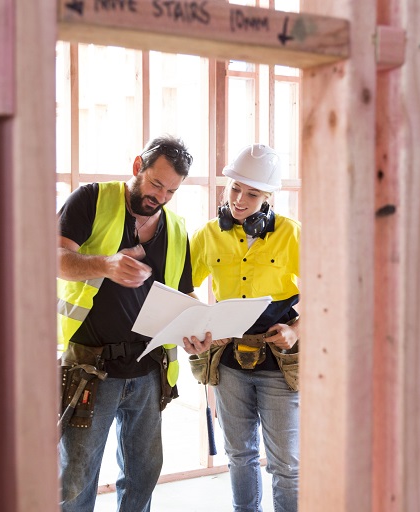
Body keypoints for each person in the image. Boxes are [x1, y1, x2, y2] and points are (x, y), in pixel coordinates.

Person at [57, 135, 195, 511]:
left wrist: (194, 329)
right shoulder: (91, 199)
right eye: (155, 184)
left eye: (170, 191)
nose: (160, 197)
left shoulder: (177, 228)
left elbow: (185, 295)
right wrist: (105, 264)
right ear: (138, 167)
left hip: (149, 370)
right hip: (91, 366)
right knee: (76, 479)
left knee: (144, 474)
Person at [183, 143, 301, 512]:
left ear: (268, 198)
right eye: (234, 188)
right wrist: (198, 325)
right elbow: (181, 286)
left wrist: (297, 330)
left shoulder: (290, 233)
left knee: (286, 464)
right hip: (230, 361)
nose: (239, 200)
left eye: (252, 193)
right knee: (240, 455)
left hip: (279, 362)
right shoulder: (208, 235)